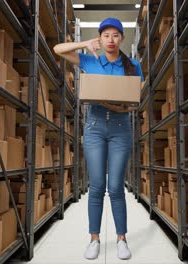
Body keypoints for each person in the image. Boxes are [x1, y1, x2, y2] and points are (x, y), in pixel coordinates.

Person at [53, 17, 143, 260]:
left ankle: (121, 239)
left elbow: (135, 99)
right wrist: (83, 44)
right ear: (100, 39)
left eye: (116, 35)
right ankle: (94, 239)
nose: (111, 40)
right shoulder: (90, 61)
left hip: (121, 129)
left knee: (115, 187)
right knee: (96, 187)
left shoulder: (132, 66)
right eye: (106, 35)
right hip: (94, 128)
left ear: (122, 38)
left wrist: (124, 108)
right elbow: (58, 50)